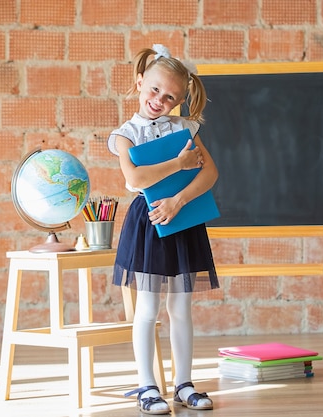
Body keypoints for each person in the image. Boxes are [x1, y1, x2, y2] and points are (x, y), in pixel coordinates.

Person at [107, 44, 219, 415]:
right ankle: (147, 386)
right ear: (140, 82)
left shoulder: (185, 126)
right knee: (148, 307)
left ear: (180, 100)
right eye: (154, 89)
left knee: (181, 306)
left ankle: (183, 384)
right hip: (149, 220)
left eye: (170, 96)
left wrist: (178, 201)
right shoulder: (125, 134)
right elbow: (135, 176)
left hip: (182, 217)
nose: (160, 100)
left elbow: (210, 173)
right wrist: (179, 162)